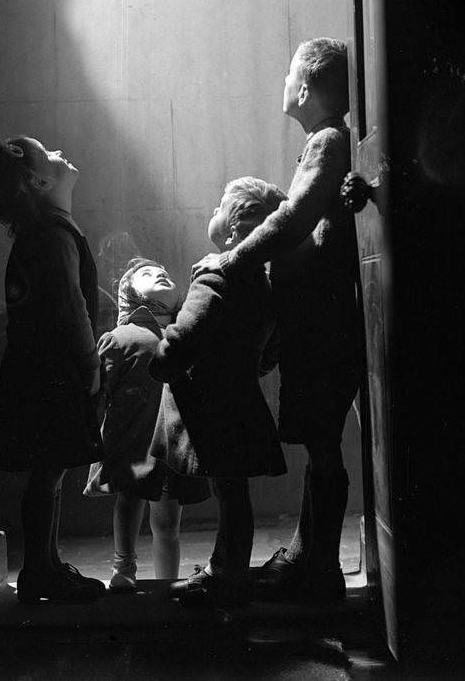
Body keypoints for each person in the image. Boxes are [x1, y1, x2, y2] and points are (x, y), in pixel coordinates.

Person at [192, 38, 362, 600]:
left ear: (306, 87)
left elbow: (294, 218)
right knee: (320, 443)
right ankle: (307, 554)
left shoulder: (327, 141)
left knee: (322, 445)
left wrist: (234, 257)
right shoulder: (324, 142)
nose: (283, 84)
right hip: (316, 321)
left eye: (289, 74)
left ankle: (322, 568)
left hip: (323, 325)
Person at [148, 177, 288, 607]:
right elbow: (268, 354)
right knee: (235, 496)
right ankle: (228, 570)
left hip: (210, 409)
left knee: (229, 495)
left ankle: (223, 577)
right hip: (242, 402)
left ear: (232, 229)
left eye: (218, 206)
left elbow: (183, 340)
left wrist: (160, 361)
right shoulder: (263, 284)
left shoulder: (215, 276)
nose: (211, 210)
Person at [0, 136, 105, 603]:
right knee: (49, 472)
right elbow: (71, 308)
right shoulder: (53, 234)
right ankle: (40, 570)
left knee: (48, 473)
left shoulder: (50, 232)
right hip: (55, 374)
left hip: (41, 371)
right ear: (39, 180)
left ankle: (45, 565)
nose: (60, 152)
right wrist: (91, 362)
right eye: (47, 152)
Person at [83, 257, 210, 591]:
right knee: (129, 500)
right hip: (132, 439)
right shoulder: (120, 338)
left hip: (172, 441)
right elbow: (101, 393)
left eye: (165, 271)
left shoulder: (186, 331)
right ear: (130, 293)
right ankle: (123, 568)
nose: (161, 272)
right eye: (147, 274)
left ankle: (167, 581)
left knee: (168, 520)